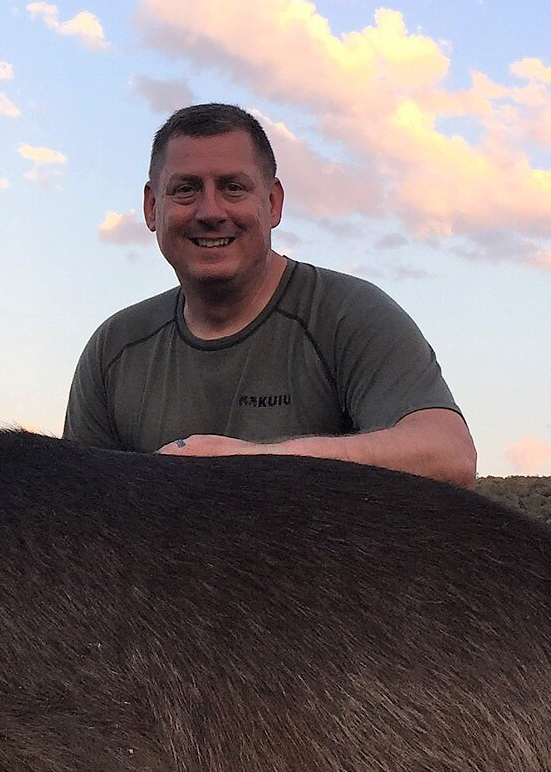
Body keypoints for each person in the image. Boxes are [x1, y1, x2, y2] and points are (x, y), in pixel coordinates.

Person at [65, 103, 476, 487]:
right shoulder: (114, 350)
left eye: (233, 188)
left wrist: (255, 462)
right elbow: (75, 508)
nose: (210, 212)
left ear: (273, 203)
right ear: (152, 208)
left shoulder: (348, 314)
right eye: (186, 190)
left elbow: (450, 457)